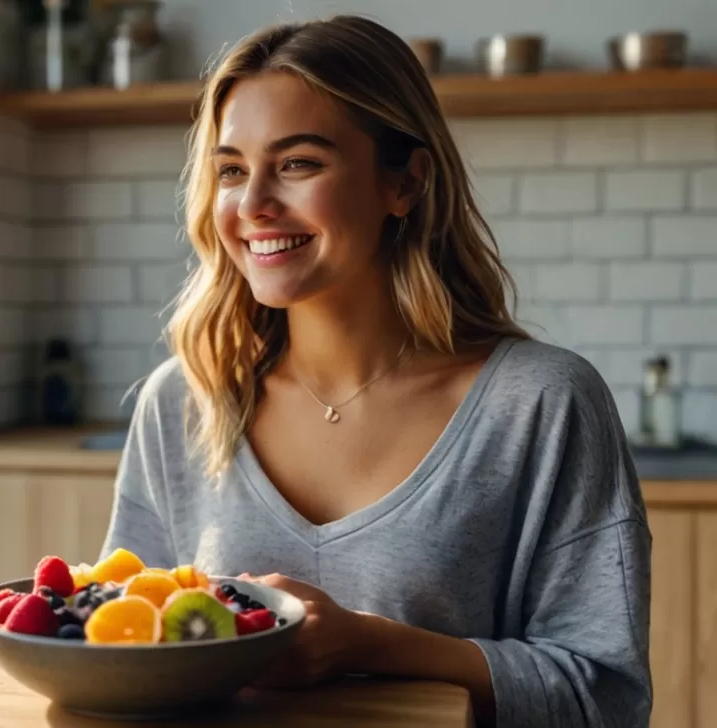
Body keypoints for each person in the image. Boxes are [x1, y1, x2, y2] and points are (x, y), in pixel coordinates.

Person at [99, 14, 652, 728]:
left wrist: (373, 645)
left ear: (407, 183)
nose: (254, 204)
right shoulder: (183, 401)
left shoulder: (542, 403)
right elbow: (119, 650)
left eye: (298, 163)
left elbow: (601, 697)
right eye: (231, 170)